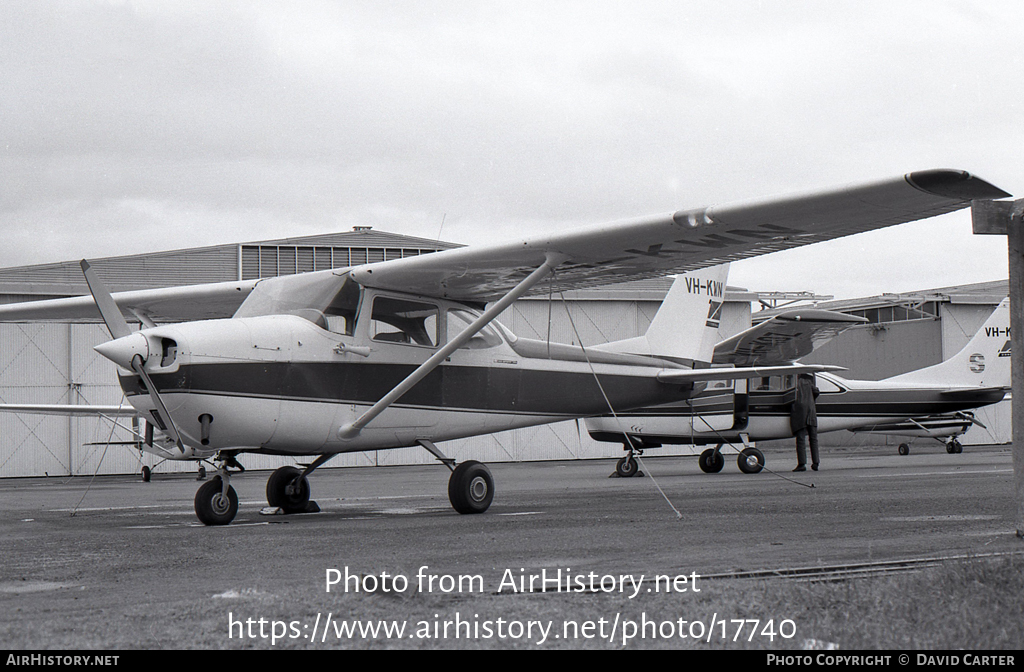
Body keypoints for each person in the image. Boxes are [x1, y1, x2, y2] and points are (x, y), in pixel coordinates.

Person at [790, 373, 820, 471]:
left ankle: (802, 464)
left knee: (801, 440)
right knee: (813, 439)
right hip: (811, 412)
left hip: (799, 414)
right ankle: (816, 462)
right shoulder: (809, 383)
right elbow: (816, 392)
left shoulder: (793, 383)